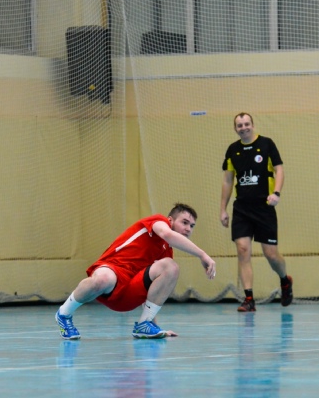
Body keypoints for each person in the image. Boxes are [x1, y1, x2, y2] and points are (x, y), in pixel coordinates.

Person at [55, 203, 216, 340]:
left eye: (192, 226)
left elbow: (151, 290)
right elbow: (167, 234)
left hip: (129, 294)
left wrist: (155, 325)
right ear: (170, 220)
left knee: (171, 266)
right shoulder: (159, 221)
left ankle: (144, 325)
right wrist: (202, 255)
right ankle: (64, 314)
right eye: (185, 222)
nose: (188, 229)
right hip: (113, 273)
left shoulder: (166, 253)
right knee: (103, 278)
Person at [220, 112, 293, 312]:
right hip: (242, 208)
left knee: (271, 254)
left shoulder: (267, 144)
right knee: (243, 250)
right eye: (239, 125)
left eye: (246, 124)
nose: (243, 128)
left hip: (264, 208)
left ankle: (285, 280)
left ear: (252, 125)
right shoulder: (232, 150)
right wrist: (223, 209)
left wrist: (276, 193)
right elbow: (227, 180)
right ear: (235, 129)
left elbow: (279, 169)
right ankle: (249, 299)